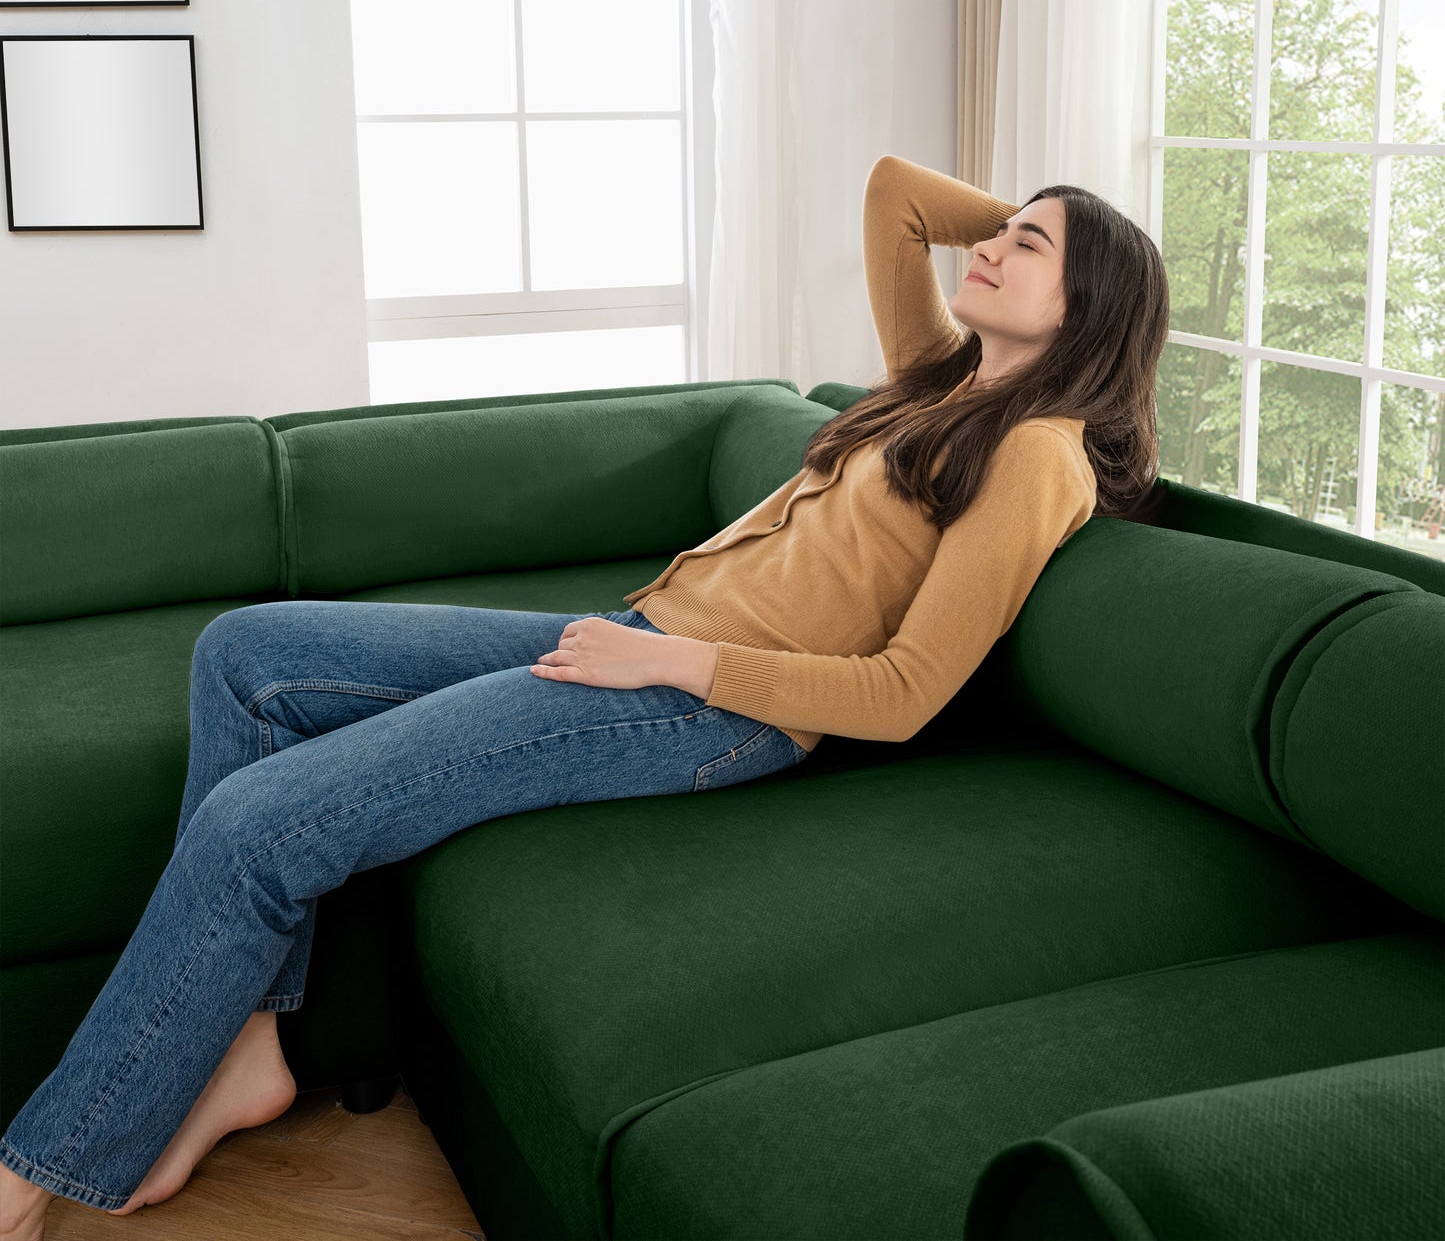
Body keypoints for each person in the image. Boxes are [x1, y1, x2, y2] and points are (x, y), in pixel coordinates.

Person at [0, 153, 1169, 1237]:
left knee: (256, 824)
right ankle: (251, 1037)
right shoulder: (943, 378)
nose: (989, 246)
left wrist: (671, 665)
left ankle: (42, 1166)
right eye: (999, 230)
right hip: (644, 635)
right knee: (248, 650)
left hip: (712, 708)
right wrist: (1040, 220)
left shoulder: (1037, 454)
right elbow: (894, 194)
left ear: (1089, 305)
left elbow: (905, 691)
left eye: (1027, 247)